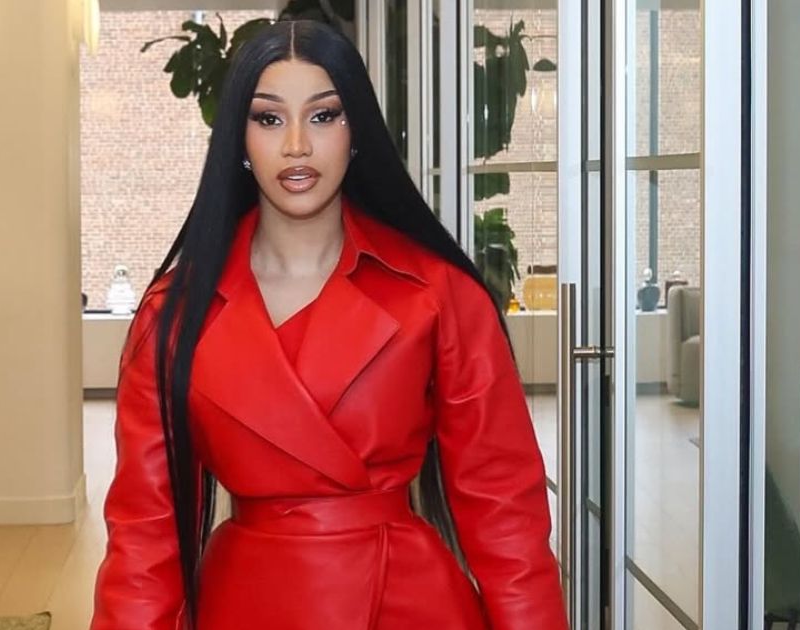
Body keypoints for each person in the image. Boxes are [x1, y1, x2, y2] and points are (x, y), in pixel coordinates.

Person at [90, 19, 566, 630]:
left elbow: (505, 514)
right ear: (239, 138)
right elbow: (144, 537)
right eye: (268, 118)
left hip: (410, 605)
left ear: (355, 131)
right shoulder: (173, 315)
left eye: (323, 115)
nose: (296, 145)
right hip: (247, 604)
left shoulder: (440, 294)